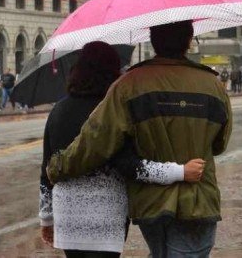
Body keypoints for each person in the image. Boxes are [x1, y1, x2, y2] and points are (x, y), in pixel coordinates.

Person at [48, 20, 232, 256]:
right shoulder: (213, 85)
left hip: (151, 200)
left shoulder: (128, 84)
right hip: (198, 198)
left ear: (153, 40)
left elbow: (97, 139)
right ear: (189, 40)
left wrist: (59, 166)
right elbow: (220, 144)